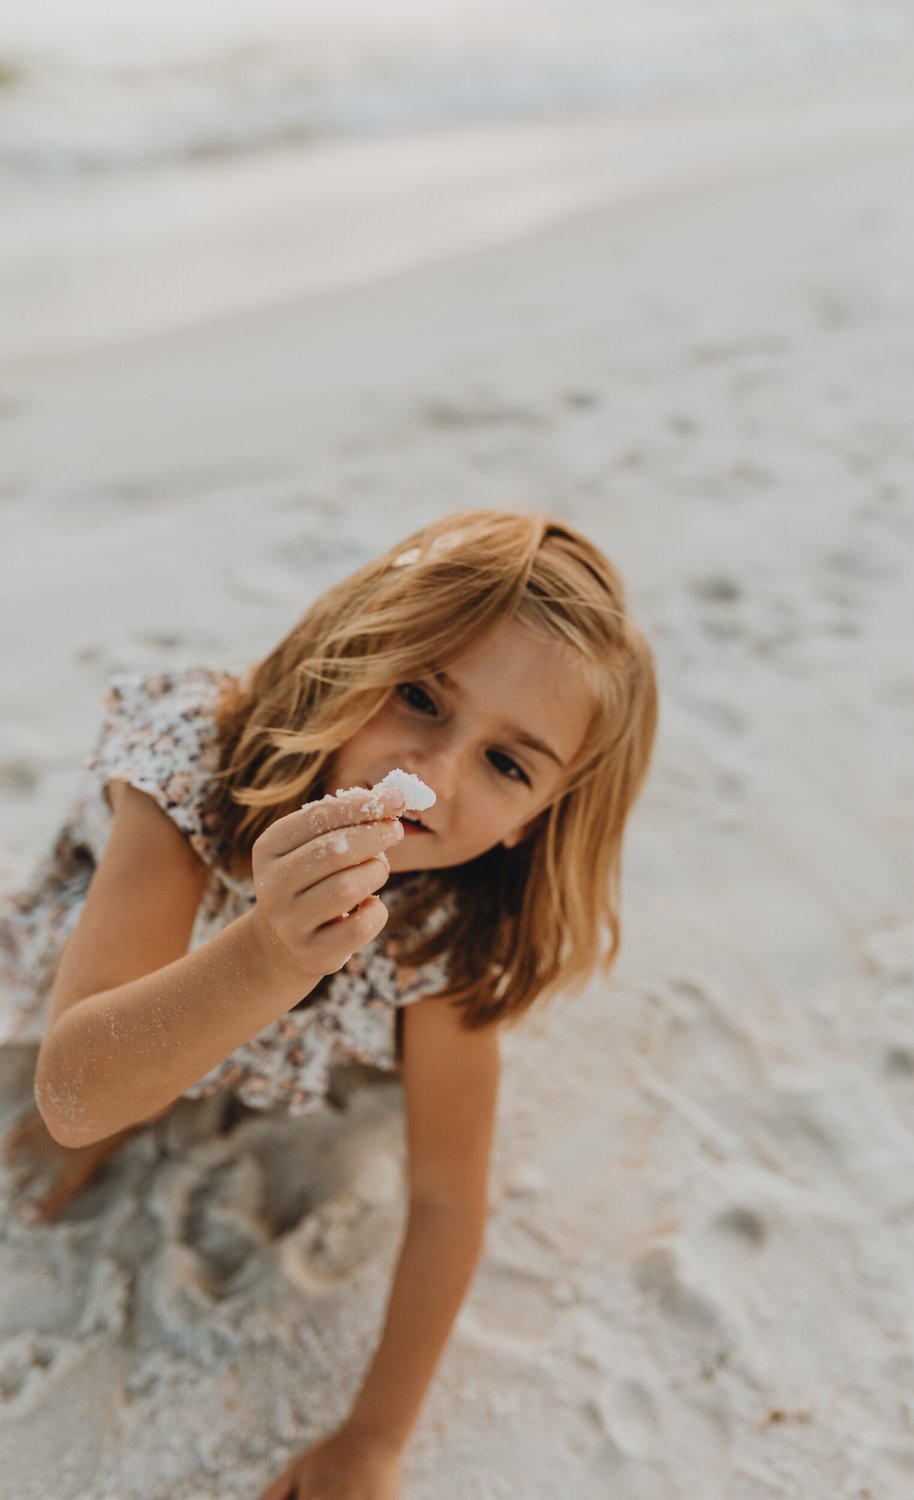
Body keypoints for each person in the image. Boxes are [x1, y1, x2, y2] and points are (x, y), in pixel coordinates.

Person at [0, 509, 657, 1500]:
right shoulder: (198, 766)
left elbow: (444, 1197)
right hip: (125, 984)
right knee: (107, 1080)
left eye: (507, 764)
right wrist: (267, 948)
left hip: (286, 1013)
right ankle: (163, 1083)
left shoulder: (450, 922)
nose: (432, 780)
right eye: (419, 697)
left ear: (540, 818)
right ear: (357, 651)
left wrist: (374, 1439)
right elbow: (75, 1092)